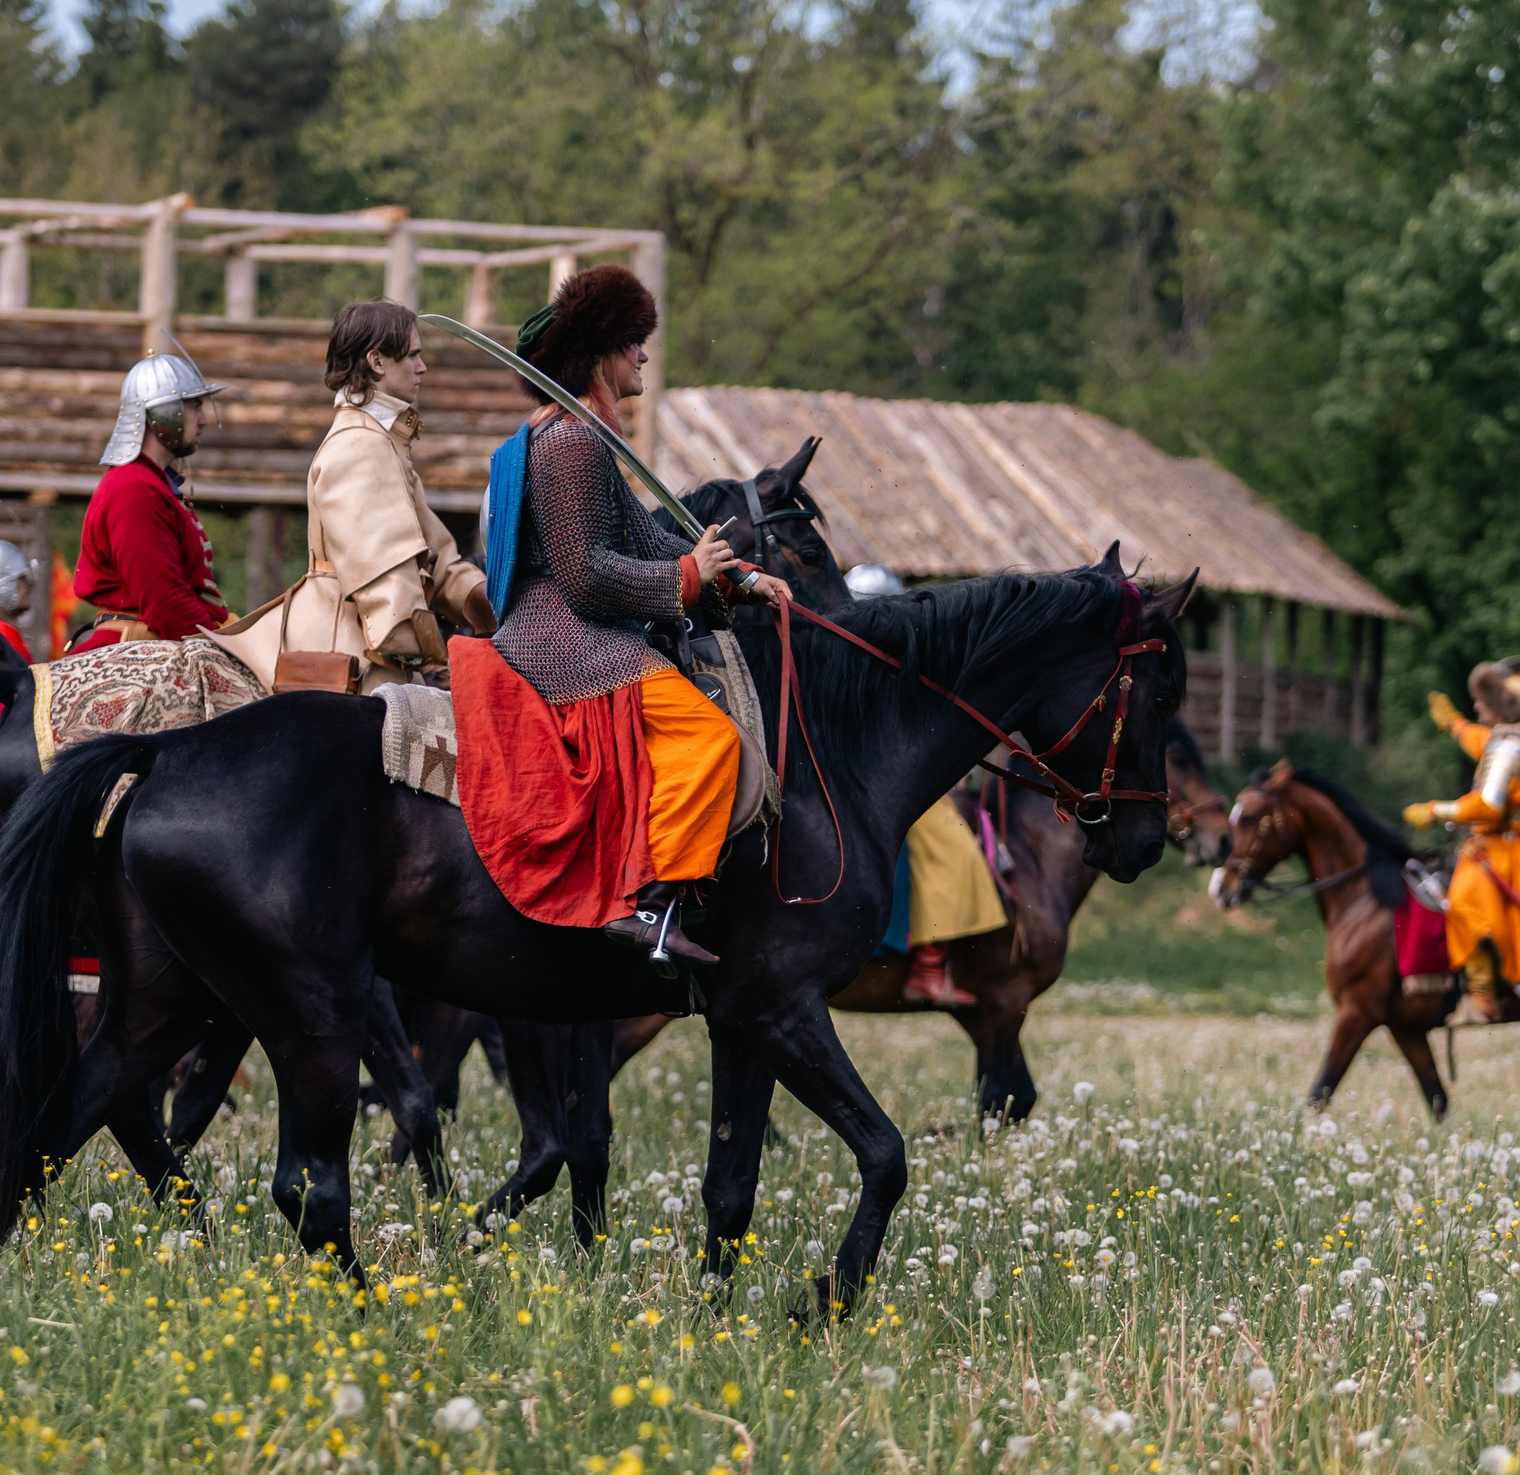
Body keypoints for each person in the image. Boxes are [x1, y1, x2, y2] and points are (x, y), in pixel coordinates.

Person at [456, 264, 788, 970]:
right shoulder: (572, 442)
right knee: (708, 740)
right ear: (604, 353)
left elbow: (645, 537)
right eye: (635, 341)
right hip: (564, 641)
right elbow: (587, 574)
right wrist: (689, 577)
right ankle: (648, 903)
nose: (643, 355)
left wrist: (739, 577)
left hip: (576, 631)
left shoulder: (581, 436)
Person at [218, 300, 497, 690]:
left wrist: (492, 602)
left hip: (372, 644)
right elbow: (388, 584)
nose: (422, 367)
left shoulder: (384, 442)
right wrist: (425, 654)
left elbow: (437, 559)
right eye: (413, 355)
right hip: (355, 656)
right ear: (377, 361)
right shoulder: (360, 445)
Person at [843, 563, 1008, 1006]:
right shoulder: (846, 659)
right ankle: (927, 969)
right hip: (873, 783)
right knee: (949, 846)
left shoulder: (900, 660)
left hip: (883, 777)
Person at [1402, 656, 1520, 1025]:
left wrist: (1435, 810)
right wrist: (1454, 725)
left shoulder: (1508, 748)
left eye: (1483, 700)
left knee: (1463, 905)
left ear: (1500, 706)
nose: (1477, 706)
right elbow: (1482, 741)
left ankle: (1481, 997)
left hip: (1504, 851)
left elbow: (1487, 804)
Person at [69, 351, 229, 653]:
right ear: (164, 413)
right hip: (138, 645)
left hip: (160, 639)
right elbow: (165, 602)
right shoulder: (133, 488)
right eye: (194, 406)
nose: (204, 419)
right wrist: (222, 650)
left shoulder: (150, 483)